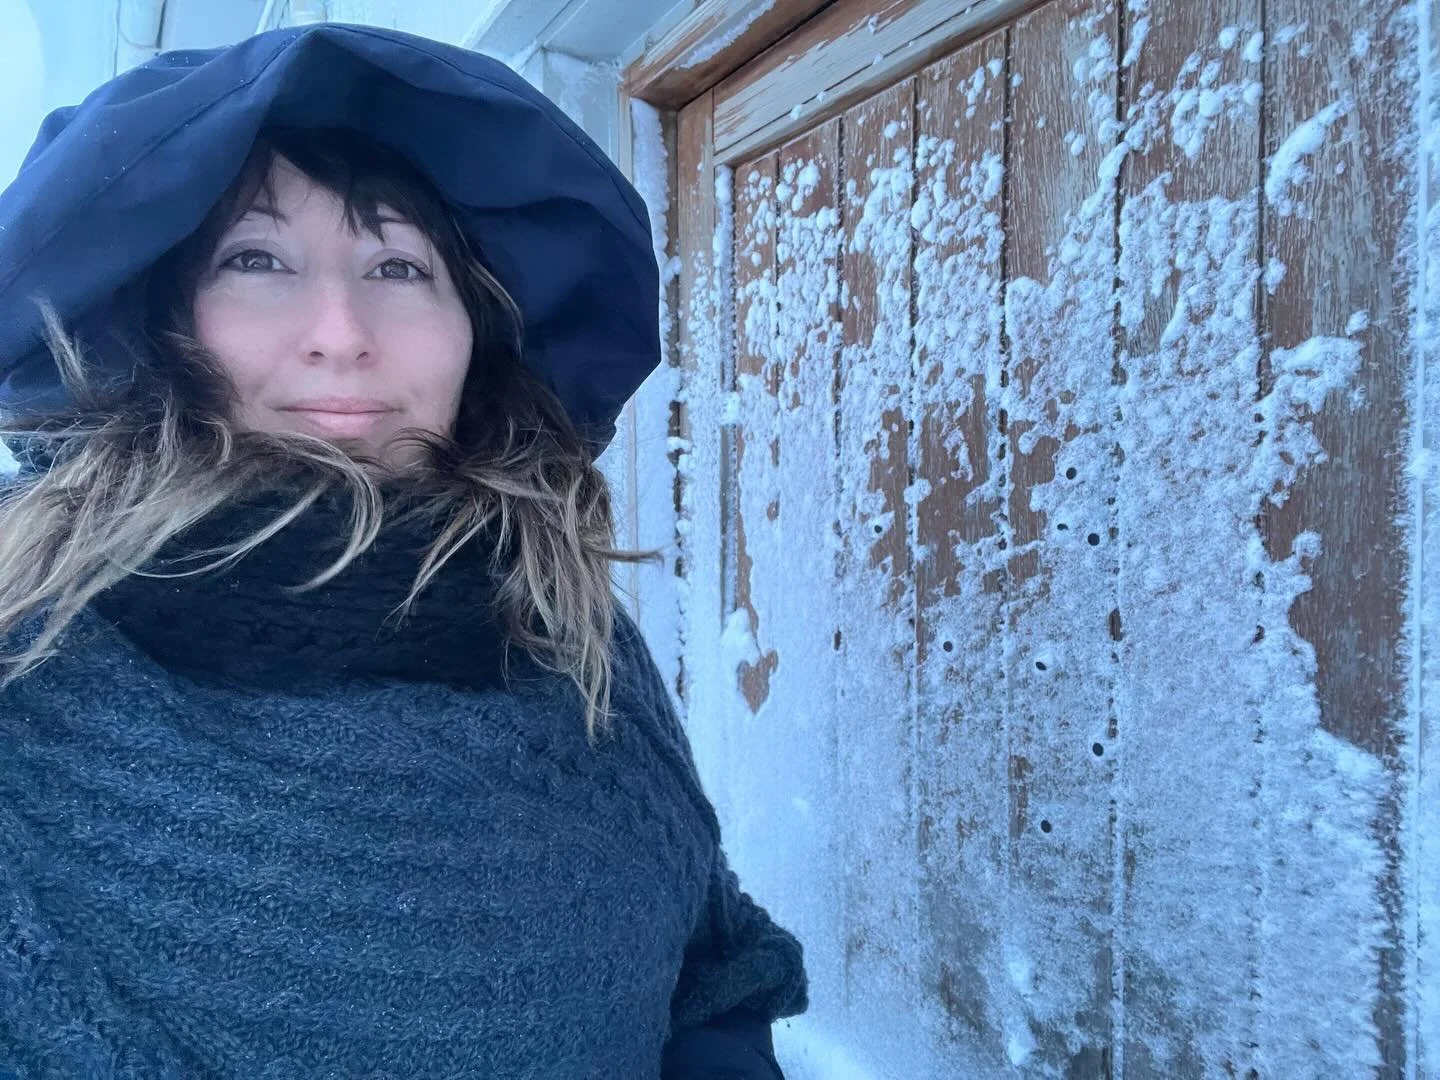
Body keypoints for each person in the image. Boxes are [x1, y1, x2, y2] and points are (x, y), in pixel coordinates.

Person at [0, 22, 806, 1080]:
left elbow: (707, 974)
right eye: (256, 259)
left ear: (477, 331)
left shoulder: (566, 624)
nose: (340, 331)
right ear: (159, 317)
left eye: (398, 265)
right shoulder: (30, 648)